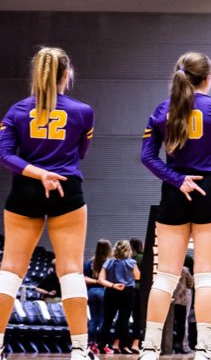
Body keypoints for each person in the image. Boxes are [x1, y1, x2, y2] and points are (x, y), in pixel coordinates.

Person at [137, 52, 211, 360]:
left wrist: (177, 178)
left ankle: (149, 348)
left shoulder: (162, 109)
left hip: (174, 189)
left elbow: (147, 156)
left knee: (165, 276)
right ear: (208, 78)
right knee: (207, 276)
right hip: (209, 189)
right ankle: (206, 348)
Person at [0, 47, 97, 360]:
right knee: (71, 271)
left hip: (25, 189)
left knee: (10, 270)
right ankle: (81, 350)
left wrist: (38, 172)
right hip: (66, 190)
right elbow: (81, 153)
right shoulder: (83, 111)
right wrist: (51, 171)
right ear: (65, 74)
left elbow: (4, 155)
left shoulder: (16, 111)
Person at [105, 240, 140, 354]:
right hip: (127, 291)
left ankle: (105, 344)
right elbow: (137, 276)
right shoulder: (131, 262)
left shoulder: (110, 262)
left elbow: (102, 277)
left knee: (108, 319)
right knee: (123, 319)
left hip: (111, 290)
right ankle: (123, 345)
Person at [87, 239, 121, 352]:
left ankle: (91, 344)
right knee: (104, 320)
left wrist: (96, 281)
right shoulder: (111, 262)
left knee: (93, 320)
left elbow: (84, 278)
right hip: (105, 292)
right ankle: (103, 345)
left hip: (91, 292)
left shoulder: (90, 262)